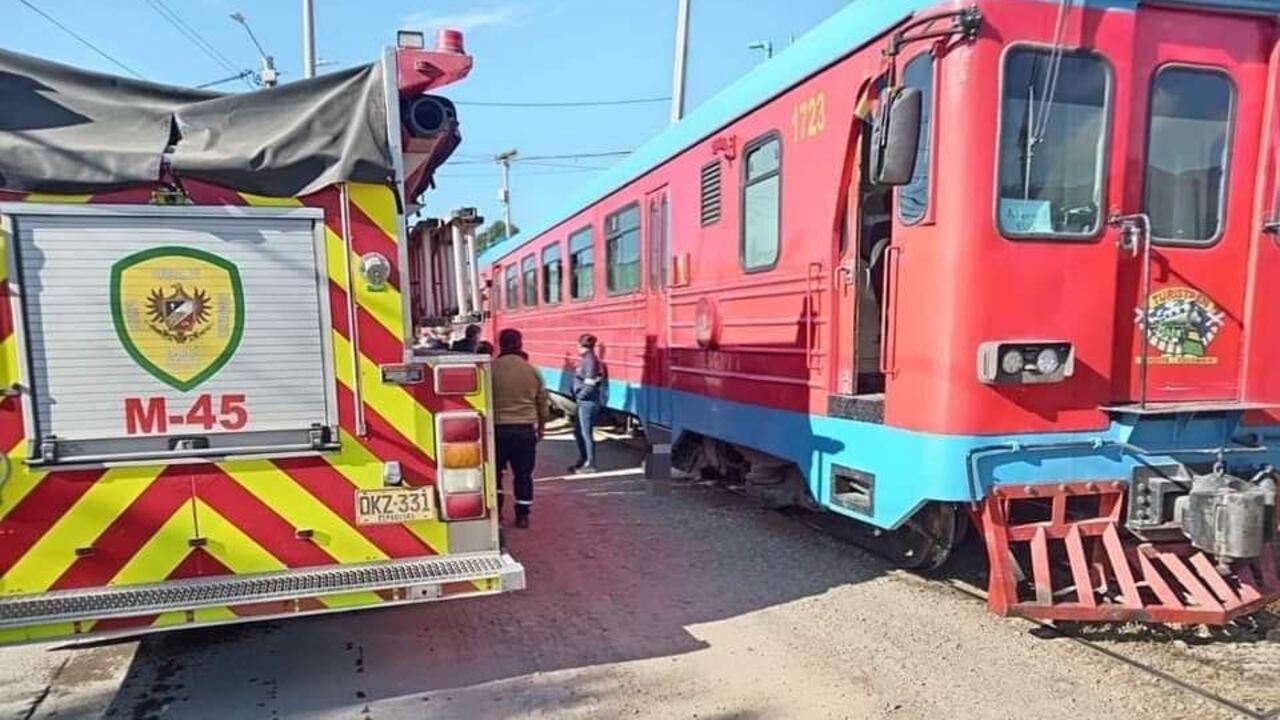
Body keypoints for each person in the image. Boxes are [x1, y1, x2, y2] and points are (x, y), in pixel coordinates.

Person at [490, 328, 549, 528]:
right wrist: (542, 426)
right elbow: (542, 402)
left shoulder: (491, 369)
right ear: (520, 343)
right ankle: (522, 516)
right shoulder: (532, 370)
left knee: (495, 474)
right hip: (525, 431)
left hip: (497, 431)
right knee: (523, 475)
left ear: (501, 344)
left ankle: (496, 515)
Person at [570, 334, 603, 474]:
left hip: (587, 402)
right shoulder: (587, 359)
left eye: (577, 345)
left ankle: (590, 463)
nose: (577, 348)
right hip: (584, 402)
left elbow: (590, 384)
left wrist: (580, 397)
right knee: (579, 432)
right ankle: (583, 459)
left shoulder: (589, 361)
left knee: (586, 433)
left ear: (582, 346)